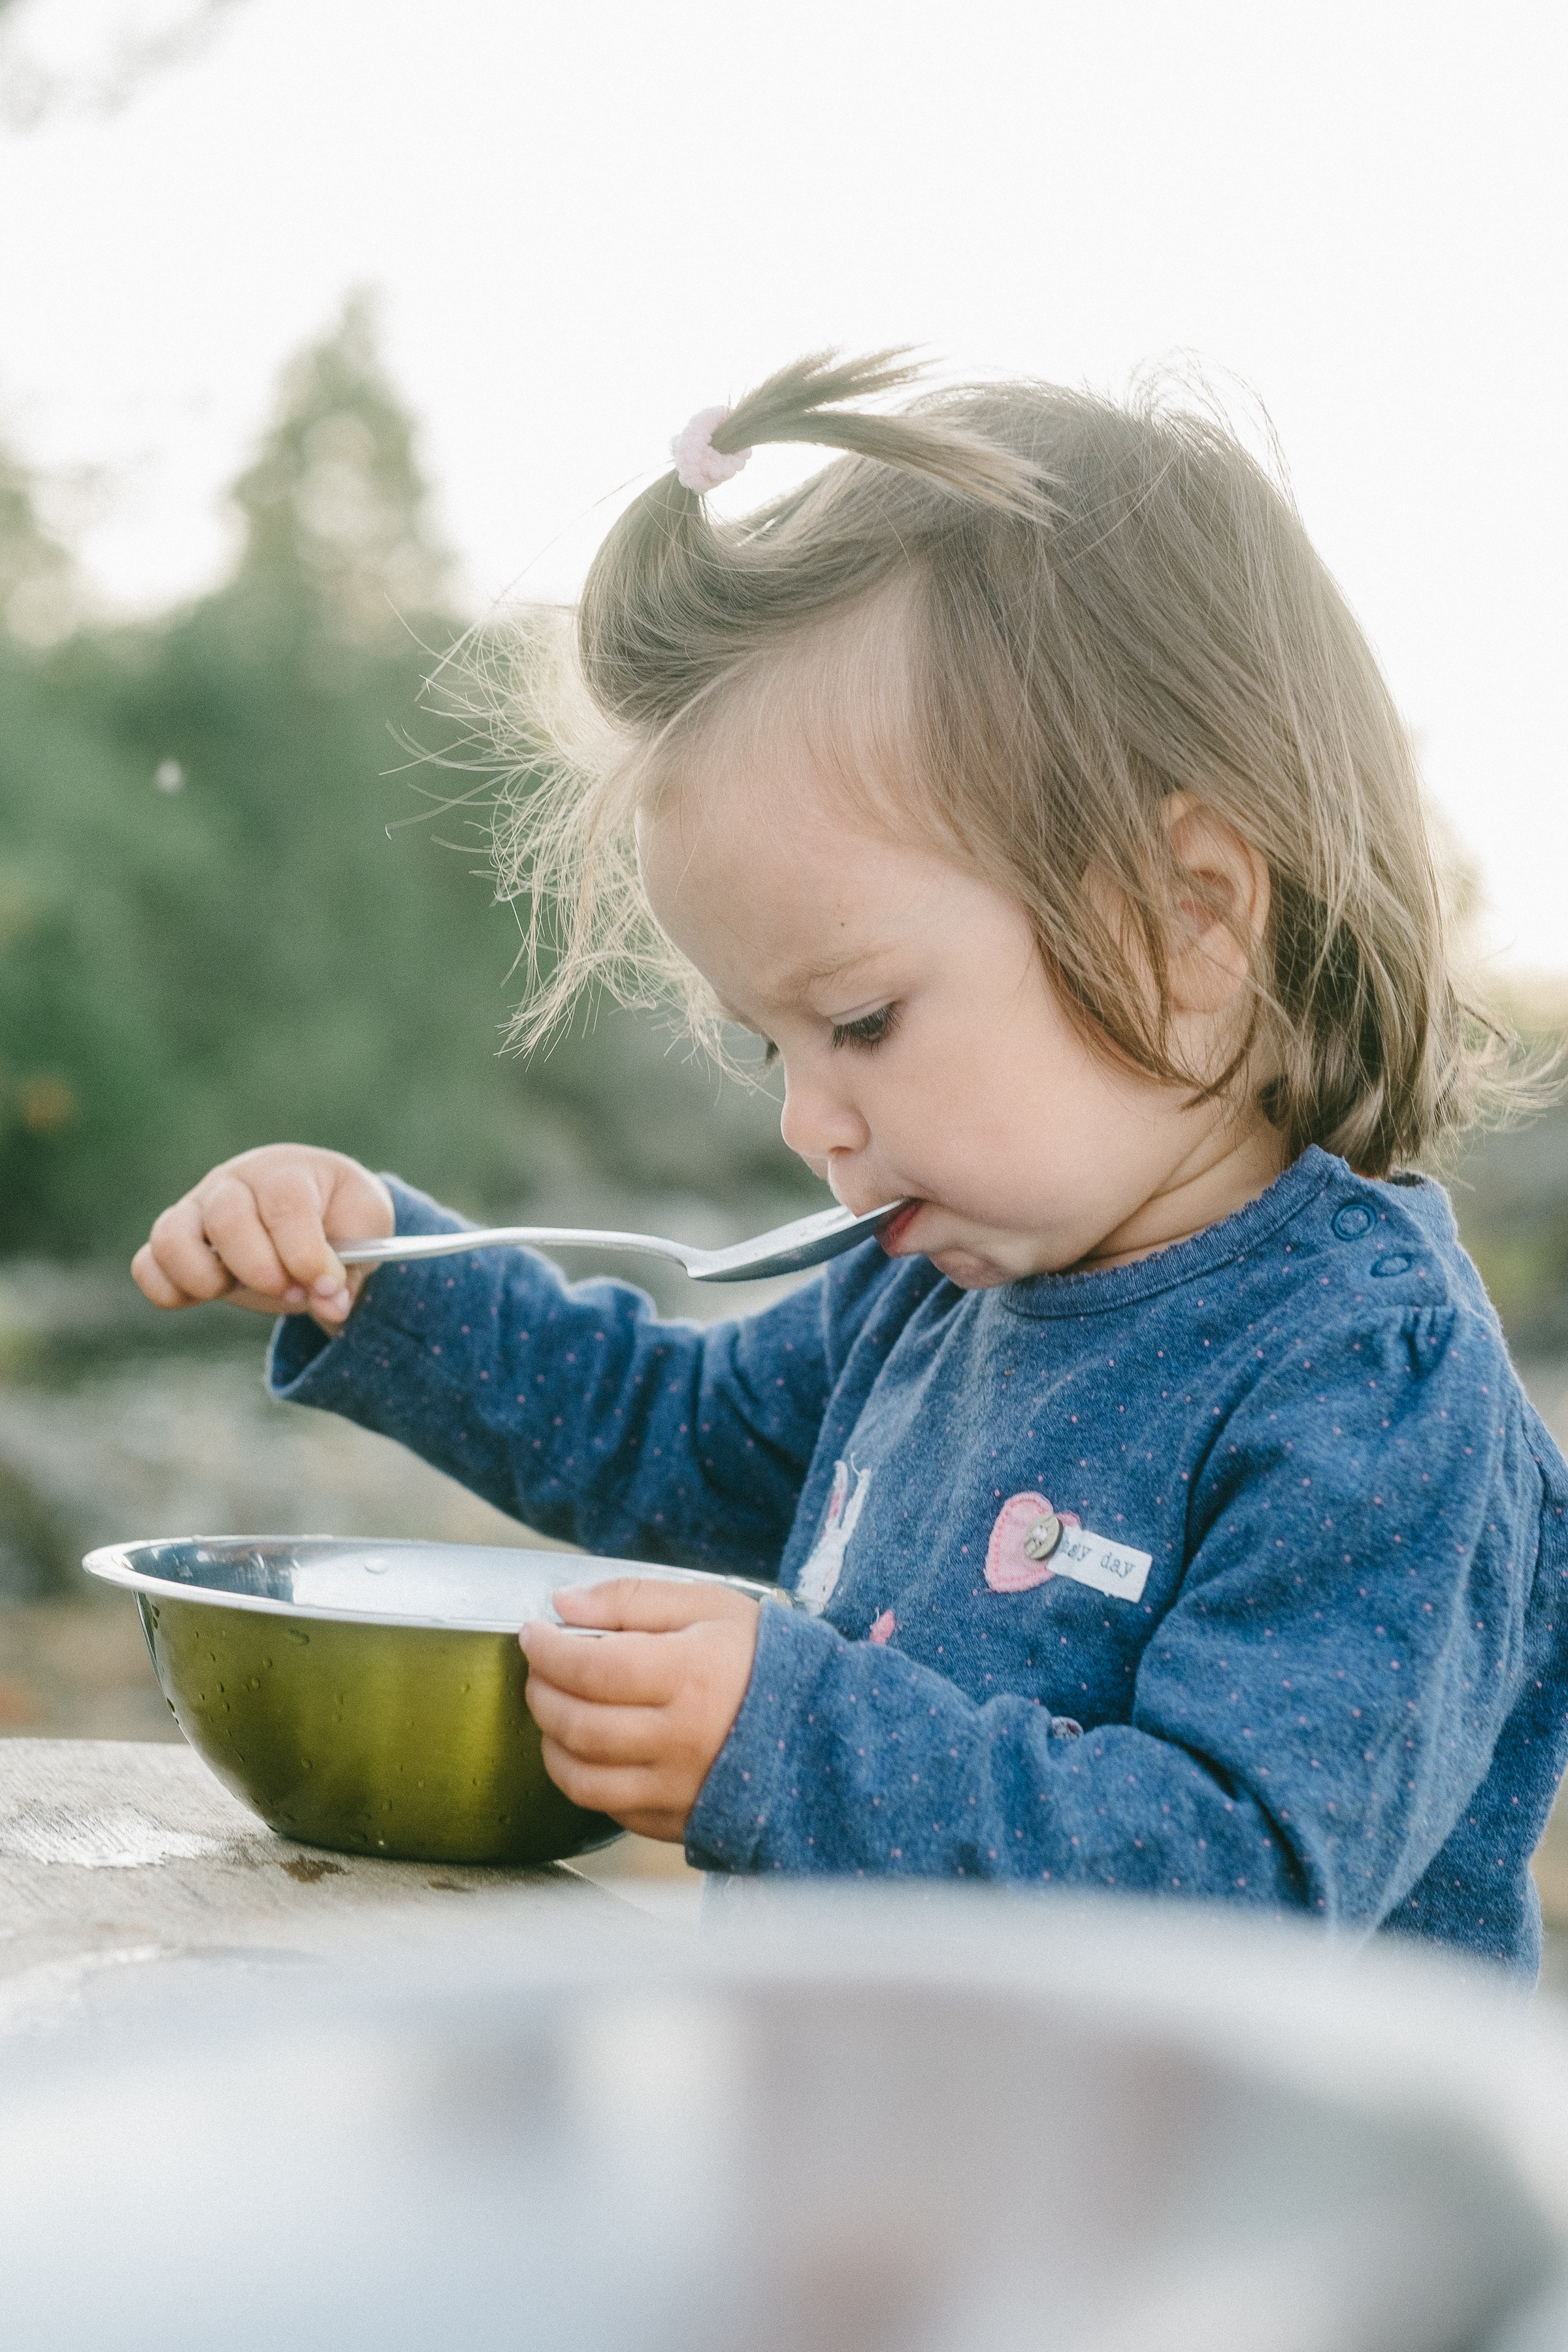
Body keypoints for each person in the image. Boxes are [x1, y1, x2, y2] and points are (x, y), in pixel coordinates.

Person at [134, 352, 1568, 1976]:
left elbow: (1237, 1886)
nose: (806, 1124)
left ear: (1191, 922)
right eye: (773, 1046)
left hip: (1260, 2222)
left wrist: (789, 1739)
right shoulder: (930, 1291)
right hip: (913, 2184)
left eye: (864, 1021)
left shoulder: (1369, 1386)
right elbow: (658, 1437)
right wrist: (375, 1277)